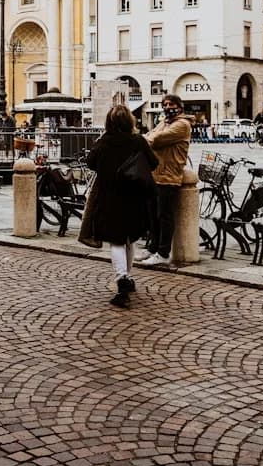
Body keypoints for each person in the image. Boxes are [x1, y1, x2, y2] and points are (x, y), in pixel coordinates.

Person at [79, 104, 158, 308]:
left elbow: (90, 162)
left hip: (110, 197)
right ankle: (128, 278)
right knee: (130, 239)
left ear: (109, 122)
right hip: (135, 196)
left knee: (116, 241)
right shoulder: (137, 141)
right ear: (129, 121)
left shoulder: (104, 141)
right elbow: (154, 163)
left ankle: (122, 280)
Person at [137, 94, 192, 267]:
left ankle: (163, 252)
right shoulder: (164, 122)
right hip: (156, 174)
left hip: (169, 175)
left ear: (180, 106)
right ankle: (153, 248)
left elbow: (156, 138)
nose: (168, 107)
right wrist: (145, 137)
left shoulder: (182, 125)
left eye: (171, 104)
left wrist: (143, 140)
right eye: (165, 104)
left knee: (164, 215)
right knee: (152, 214)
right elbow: (151, 133)